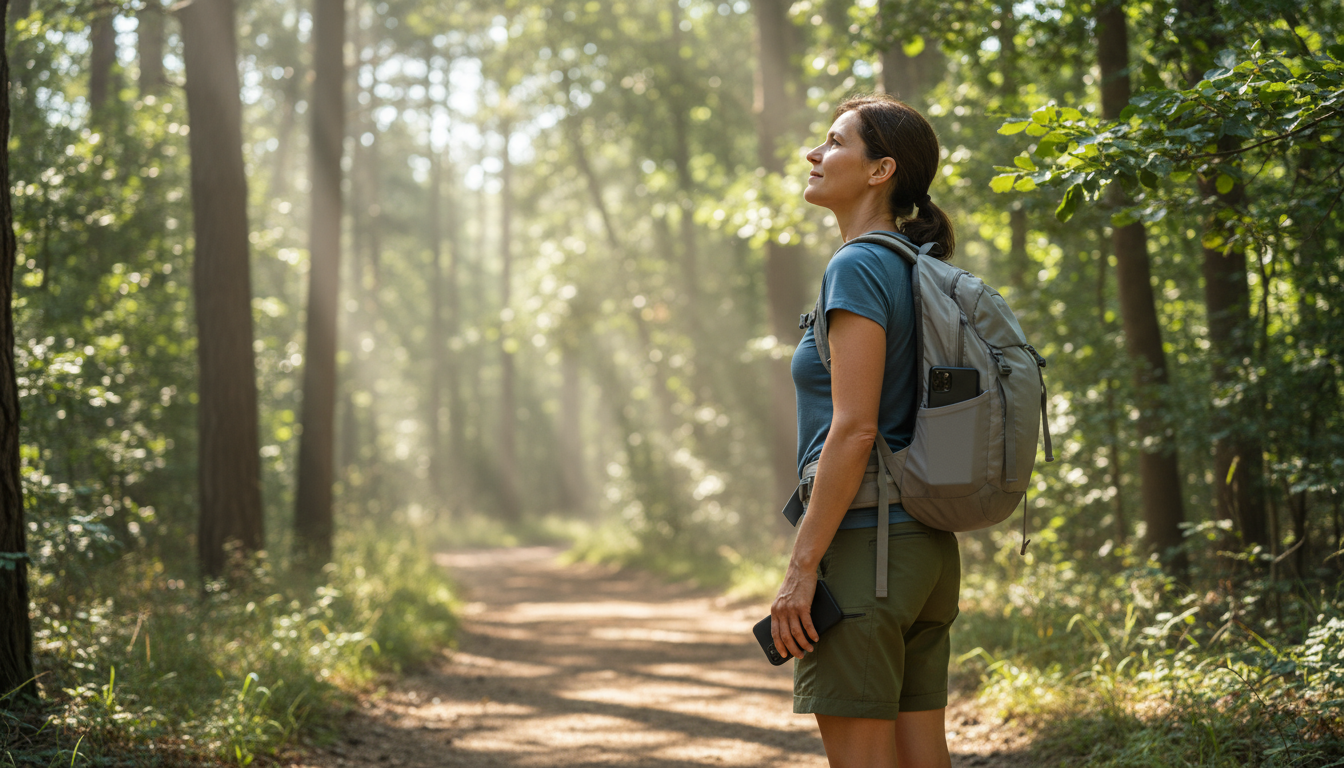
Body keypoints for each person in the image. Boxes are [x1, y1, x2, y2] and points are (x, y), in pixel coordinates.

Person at [770, 93, 960, 768]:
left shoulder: (856, 267)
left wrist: (801, 568)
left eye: (832, 142)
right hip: (927, 553)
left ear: (880, 171)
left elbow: (853, 430)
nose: (812, 154)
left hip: (867, 551)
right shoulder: (916, 265)